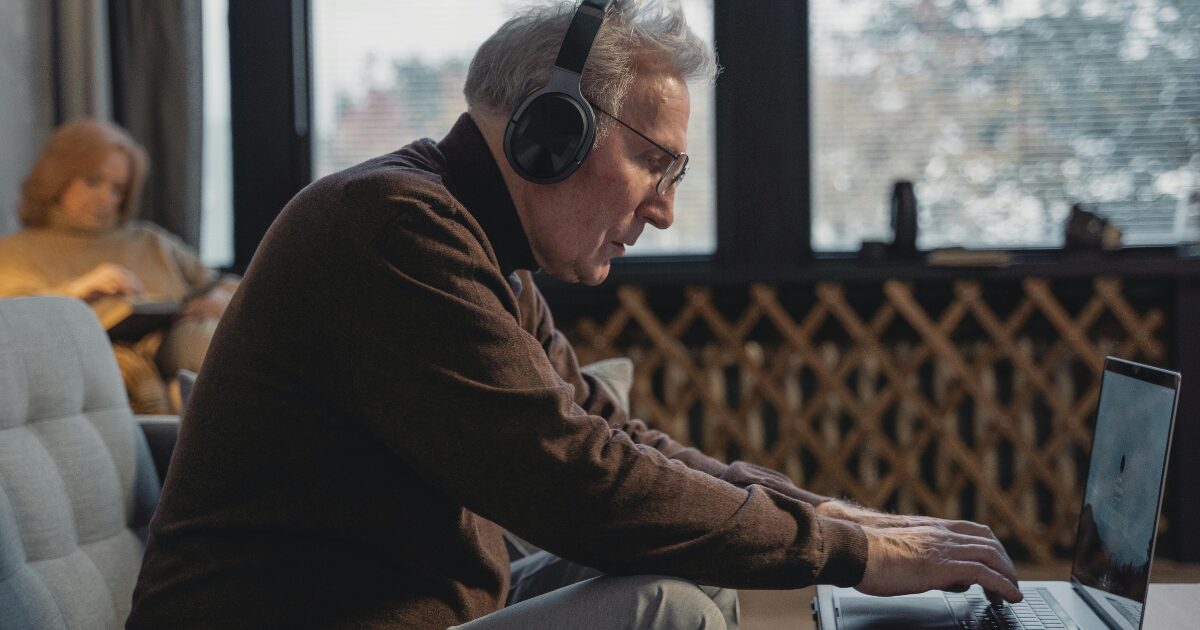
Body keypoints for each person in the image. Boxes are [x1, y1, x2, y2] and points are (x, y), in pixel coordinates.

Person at [128, 1, 1021, 628]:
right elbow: (582, 484)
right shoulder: (391, 228)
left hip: (414, 608)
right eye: (657, 165)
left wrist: (840, 518)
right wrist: (849, 555)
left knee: (687, 561)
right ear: (551, 130)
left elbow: (615, 442)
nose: (666, 209)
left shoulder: (474, 244)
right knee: (662, 609)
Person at [0, 119, 236, 385]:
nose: (106, 199)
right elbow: (12, 323)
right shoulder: (13, 254)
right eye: (93, 181)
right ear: (57, 177)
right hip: (102, 366)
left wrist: (221, 298)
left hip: (178, 349)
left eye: (117, 189)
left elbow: (226, 285)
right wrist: (78, 291)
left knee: (216, 338)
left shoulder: (150, 241)